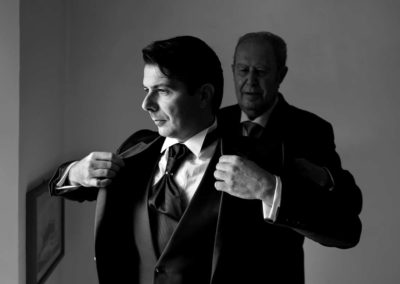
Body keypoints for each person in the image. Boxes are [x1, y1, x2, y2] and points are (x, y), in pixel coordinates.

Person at [215, 31, 362, 283]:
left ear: (281, 75)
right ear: (232, 70)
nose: (250, 81)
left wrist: (270, 190)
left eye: (261, 71)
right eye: (242, 70)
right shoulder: (211, 124)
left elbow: (345, 227)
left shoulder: (311, 130)